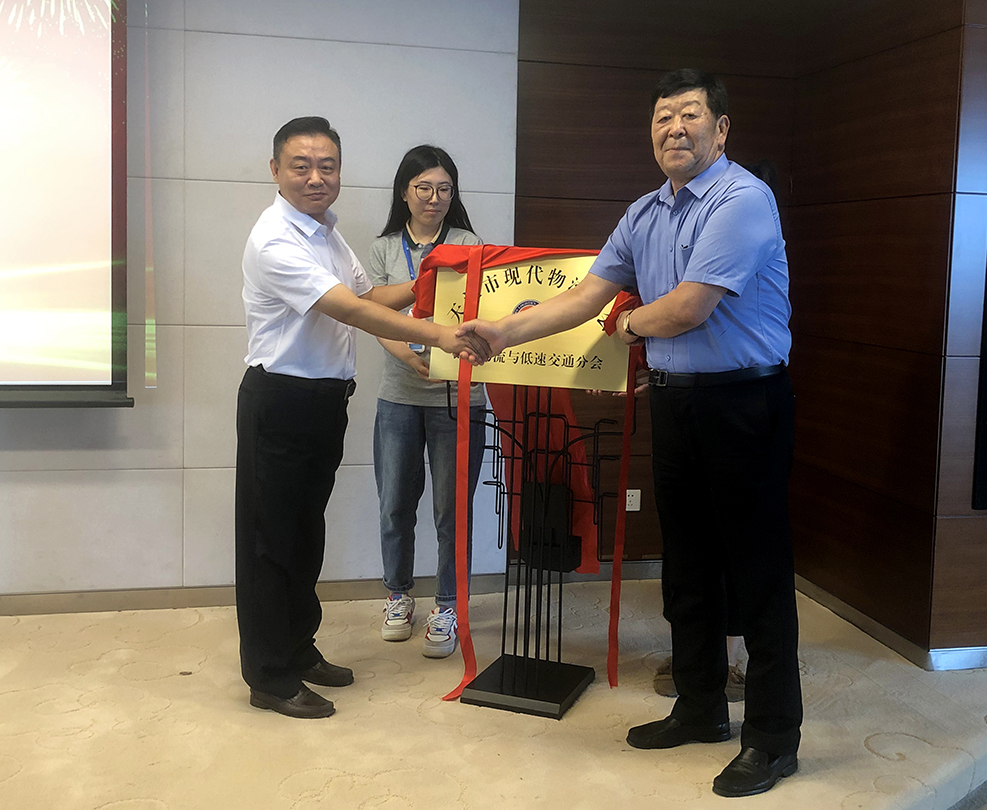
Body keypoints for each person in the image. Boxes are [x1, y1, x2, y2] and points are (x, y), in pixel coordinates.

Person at [459, 70, 801, 797]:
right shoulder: (643, 212)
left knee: (757, 571)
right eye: (663, 118)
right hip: (676, 404)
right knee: (688, 565)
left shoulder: (743, 199)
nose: (675, 128)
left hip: (746, 403)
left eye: (690, 115)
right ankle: (701, 707)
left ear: (721, 129)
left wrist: (628, 324)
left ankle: (773, 739)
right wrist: (502, 333)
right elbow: (586, 294)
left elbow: (687, 308)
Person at [235, 117, 488, 719]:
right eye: (301, 166)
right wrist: (439, 334)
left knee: (305, 535)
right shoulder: (275, 239)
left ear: (340, 172)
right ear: (275, 170)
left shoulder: (327, 233)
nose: (315, 177)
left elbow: (372, 295)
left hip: (323, 403)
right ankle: (269, 676)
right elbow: (349, 309)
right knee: (271, 542)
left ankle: (298, 649)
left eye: (327, 166)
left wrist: (434, 279)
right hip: (281, 401)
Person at [368, 146, 486, 658]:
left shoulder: (469, 244)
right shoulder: (382, 248)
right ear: (404, 192)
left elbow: (481, 310)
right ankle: (398, 596)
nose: (434, 198)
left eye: (444, 189)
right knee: (395, 504)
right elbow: (372, 313)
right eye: (424, 188)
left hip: (459, 395)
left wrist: (440, 359)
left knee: (451, 511)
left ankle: (447, 605)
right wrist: (408, 356)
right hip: (399, 394)